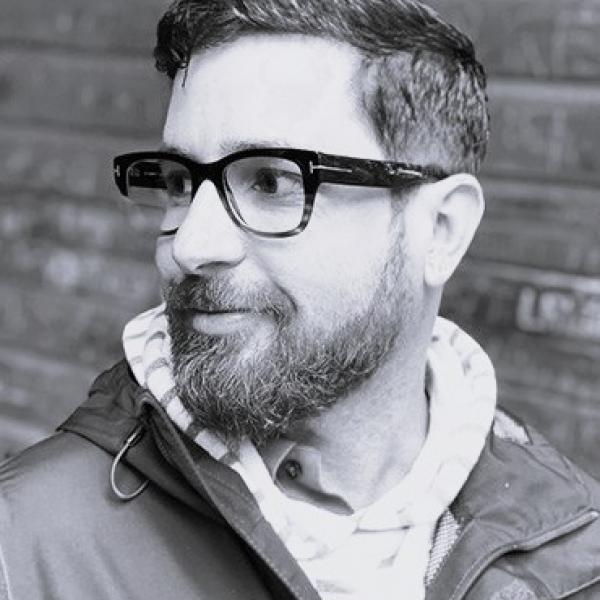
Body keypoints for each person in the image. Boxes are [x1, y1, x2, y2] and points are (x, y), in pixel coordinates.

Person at [1, 0, 599, 598]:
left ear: (441, 230)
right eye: (181, 183)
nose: (190, 244)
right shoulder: (27, 546)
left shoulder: (572, 553)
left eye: (272, 182)